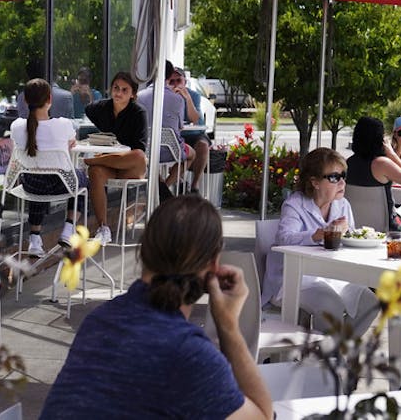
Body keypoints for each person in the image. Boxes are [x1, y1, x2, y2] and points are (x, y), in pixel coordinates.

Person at [41, 195, 272, 420]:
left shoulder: (99, 320)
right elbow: (263, 416)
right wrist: (228, 325)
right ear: (213, 264)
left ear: (143, 252)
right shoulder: (188, 352)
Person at [261, 148, 379, 336]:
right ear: (314, 182)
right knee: (330, 305)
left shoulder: (343, 205)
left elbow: (348, 241)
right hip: (294, 279)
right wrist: (319, 234)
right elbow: (284, 238)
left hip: (332, 275)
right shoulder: (295, 205)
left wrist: (352, 236)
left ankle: (335, 355)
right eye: (334, 177)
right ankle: (325, 359)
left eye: (343, 175)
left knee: (370, 302)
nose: (342, 182)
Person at [9, 78, 80, 256]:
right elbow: (72, 142)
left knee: (37, 175)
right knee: (82, 180)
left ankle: (34, 239)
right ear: (50, 99)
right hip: (60, 185)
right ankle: (68, 229)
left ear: (25, 100)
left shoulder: (17, 126)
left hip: (31, 185)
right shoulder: (64, 125)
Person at [84, 70, 150, 245]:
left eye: (124, 90)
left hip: (130, 167)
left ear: (133, 95)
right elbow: (88, 109)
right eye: (116, 88)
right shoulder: (103, 107)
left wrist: (103, 156)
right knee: (95, 171)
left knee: (139, 155)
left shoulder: (138, 113)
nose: (119, 93)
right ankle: (103, 228)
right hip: (111, 166)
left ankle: (97, 159)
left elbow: (140, 149)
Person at [344, 115, 401, 233]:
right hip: (387, 228)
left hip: (355, 226)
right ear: (380, 139)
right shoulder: (382, 164)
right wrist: (392, 154)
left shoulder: (348, 163)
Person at [136, 61, 195, 193]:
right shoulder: (177, 98)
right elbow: (179, 127)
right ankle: (165, 187)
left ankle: (160, 187)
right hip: (171, 150)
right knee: (192, 154)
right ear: (169, 75)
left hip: (146, 150)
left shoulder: (140, 96)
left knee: (149, 161)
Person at [172, 67, 211, 193]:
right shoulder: (165, 96)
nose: (176, 84)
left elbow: (195, 119)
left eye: (179, 80)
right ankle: (178, 182)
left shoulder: (193, 96)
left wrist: (187, 99)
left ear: (185, 82)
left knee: (203, 145)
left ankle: (194, 186)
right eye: (172, 81)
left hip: (193, 133)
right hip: (175, 135)